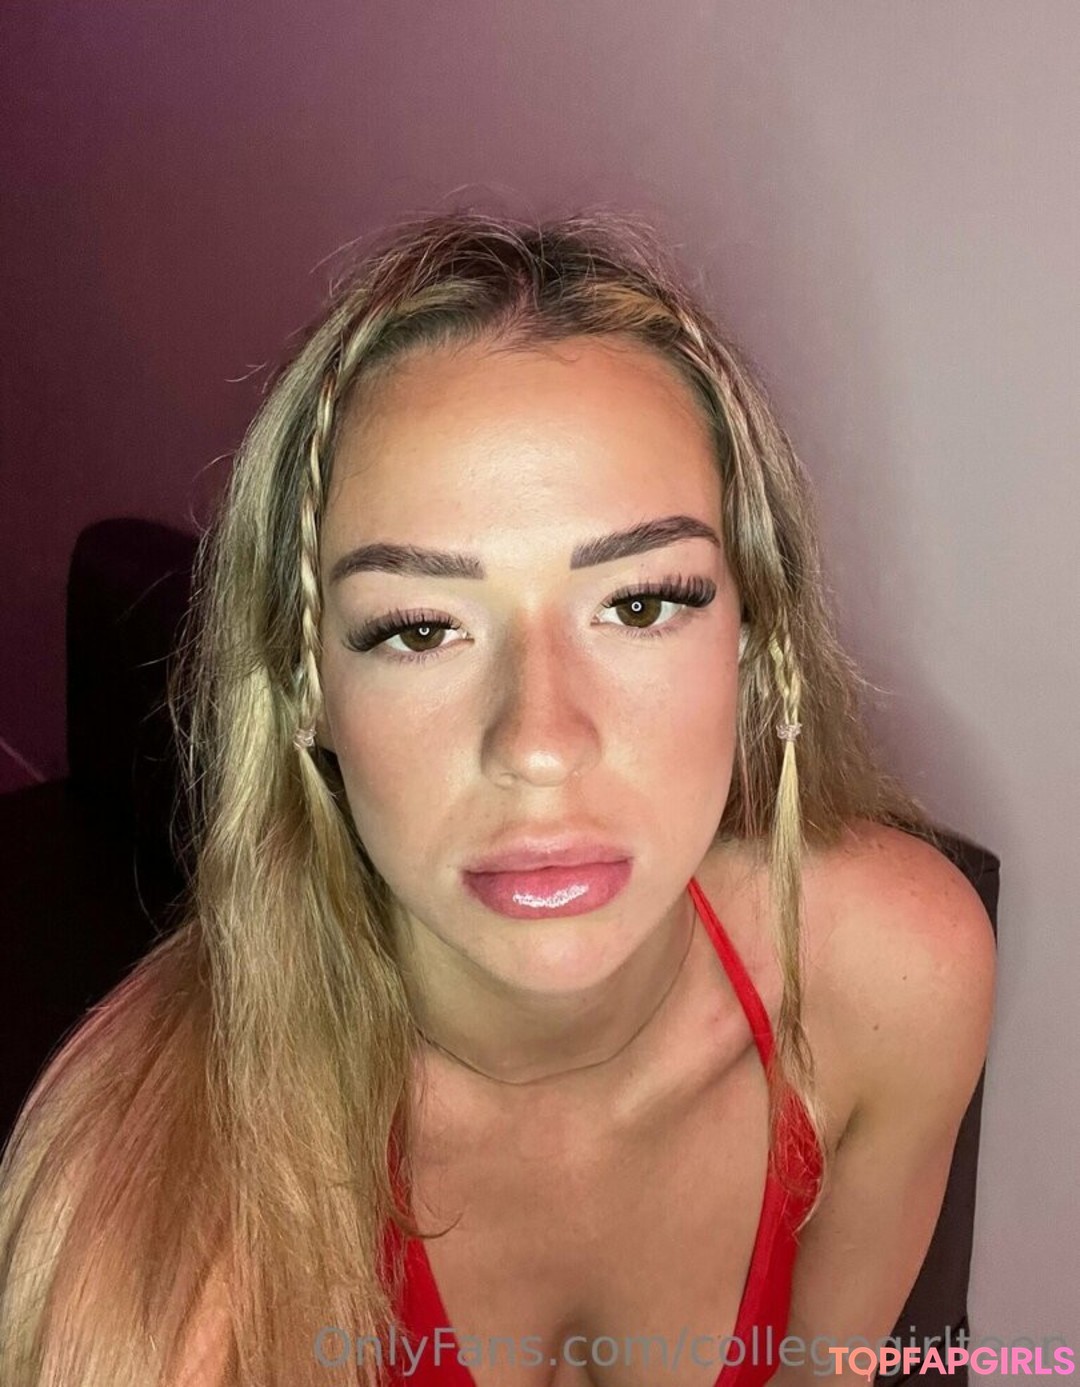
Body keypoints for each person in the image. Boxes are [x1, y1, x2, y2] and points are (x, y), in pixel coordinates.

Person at [0, 210, 995, 1387]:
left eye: (639, 605)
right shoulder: (151, 1260)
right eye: (421, 628)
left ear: (755, 641)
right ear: (306, 692)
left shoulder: (896, 981)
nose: (539, 744)